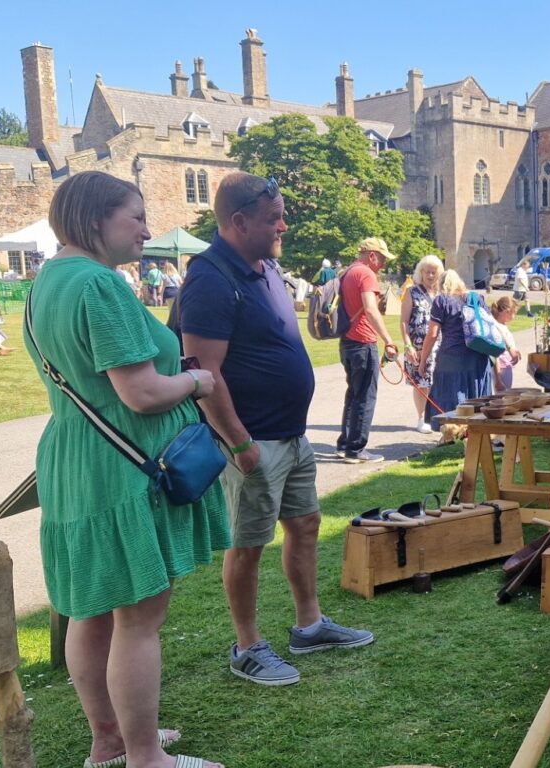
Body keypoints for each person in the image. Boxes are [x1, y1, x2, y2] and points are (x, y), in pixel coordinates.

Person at [27, 170, 228, 768]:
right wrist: (197, 382)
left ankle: (109, 738)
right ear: (95, 221)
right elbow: (140, 393)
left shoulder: (46, 282)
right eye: (135, 217)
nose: (146, 229)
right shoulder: (99, 284)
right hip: (122, 467)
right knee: (139, 616)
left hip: (76, 463)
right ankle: (146, 766)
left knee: (93, 609)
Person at [181, 172, 374, 687]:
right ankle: (247, 646)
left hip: (290, 433)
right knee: (248, 544)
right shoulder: (210, 277)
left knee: (305, 523)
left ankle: (309, 625)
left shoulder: (265, 267)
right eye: (274, 219)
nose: (284, 226)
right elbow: (203, 371)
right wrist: (239, 442)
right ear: (239, 221)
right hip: (252, 439)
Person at [336, 237, 398, 463]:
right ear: (372, 255)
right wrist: (388, 340)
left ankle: (345, 444)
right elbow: (371, 310)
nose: (383, 264)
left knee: (353, 394)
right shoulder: (366, 274)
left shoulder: (347, 272)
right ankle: (356, 449)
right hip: (363, 342)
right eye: (382, 258)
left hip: (347, 342)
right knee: (365, 397)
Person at [424, 269, 493, 429]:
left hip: (451, 357)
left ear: (441, 284)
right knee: (477, 398)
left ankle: (452, 433)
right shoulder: (476, 298)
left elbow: (433, 334)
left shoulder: (441, 300)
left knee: (450, 397)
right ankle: (476, 432)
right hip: (478, 355)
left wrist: (422, 361)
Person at [401, 255, 444, 433]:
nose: (430, 275)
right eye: (427, 272)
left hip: (440, 345)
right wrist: (407, 345)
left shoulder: (442, 293)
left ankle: (437, 417)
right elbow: (404, 321)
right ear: (421, 272)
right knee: (422, 383)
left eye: (434, 272)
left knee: (438, 382)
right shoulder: (412, 292)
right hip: (418, 345)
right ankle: (421, 418)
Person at [491, 294, 521, 392]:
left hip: (506, 366)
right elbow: (495, 355)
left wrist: (515, 350)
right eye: (514, 313)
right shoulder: (496, 327)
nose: (514, 316)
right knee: (502, 397)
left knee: (506, 395)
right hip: (501, 369)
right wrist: (498, 379)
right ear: (506, 312)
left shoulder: (502, 326)